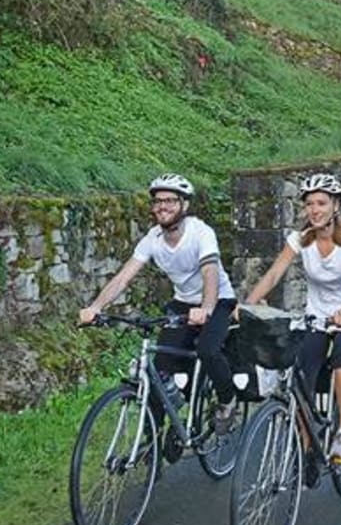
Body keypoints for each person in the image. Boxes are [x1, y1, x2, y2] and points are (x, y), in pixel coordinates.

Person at [80, 174, 243, 432]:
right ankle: (151, 443)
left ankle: (227, 400)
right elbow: (123, 276)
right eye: (157, 201)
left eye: (170, 200)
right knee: (160, 370)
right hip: (183, 302)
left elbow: (210, 272)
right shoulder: (152, 239)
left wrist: (207, 309)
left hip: (218, 301)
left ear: (184, 205)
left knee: (208, 351)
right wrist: (96, 307)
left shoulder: (200, 233)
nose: (162, 206)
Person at [243, 171, 341, 464]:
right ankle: (306, 443)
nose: (314, 210)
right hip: (317, 316)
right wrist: (248, 304)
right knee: (300, 370)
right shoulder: (300, 238)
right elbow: (276, 272)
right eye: (310, 204)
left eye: (322, 203)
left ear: (335, 205)